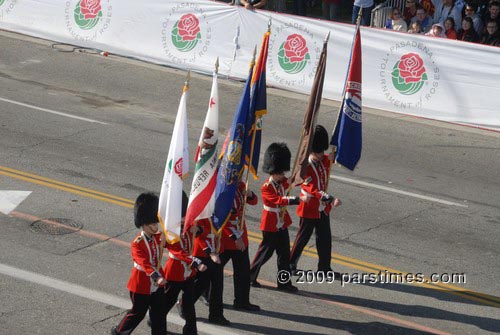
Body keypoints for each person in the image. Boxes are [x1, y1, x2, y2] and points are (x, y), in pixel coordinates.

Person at [111, 193, 167, 335]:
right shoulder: (137, 243)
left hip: (156, 283)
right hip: (141, 283)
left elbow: (173, 241)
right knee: (138, 313)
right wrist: (156, 276)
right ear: (144, 223)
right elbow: (144, 262)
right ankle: (119, 332)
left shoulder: (158, 237)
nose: (156, 226)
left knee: (159, 314)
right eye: (153, 224)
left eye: (156, 223)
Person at [290, 125, 342, 276]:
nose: (321, 155)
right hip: (309, 207)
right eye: (318, 152)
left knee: (325, 239)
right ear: (311, 150)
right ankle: (290, 264)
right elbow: (312, 188)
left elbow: (329, 159)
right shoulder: (305, 167)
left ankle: (324, 268)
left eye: (322, 152)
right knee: (302, 239)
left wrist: (335, 153)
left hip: (322, 208)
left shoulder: (323, 160)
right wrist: (330, 198)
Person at [249, 142, 300, 293]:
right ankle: (250, 276)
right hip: (271, 223)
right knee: (265, 253)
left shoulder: (281, 182)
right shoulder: (266, 187)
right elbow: (278, 200)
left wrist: (298, 175)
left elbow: (291, 181)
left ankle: (284, 283)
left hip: (281, 222)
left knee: (284, 255)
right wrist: (296, 200)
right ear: (273, 171)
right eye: (280, 172)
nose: (283, 175)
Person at [163, 192, 207, 335]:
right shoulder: (170, 232)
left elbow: (201, 231)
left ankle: (190, 332)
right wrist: (195, 263)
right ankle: (156, 320)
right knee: (168, 302)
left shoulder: (187, 226)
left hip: (188, 273)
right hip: (175, 271)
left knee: (189, 304)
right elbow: (178, 252)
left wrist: (198, 229)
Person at [220, 181, 261, 311]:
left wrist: (250, 194)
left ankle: (242, 301)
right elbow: (221, 219)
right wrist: (235, 238)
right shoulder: (223, 189)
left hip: (241, 234)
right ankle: (203, 295)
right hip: (226, 239)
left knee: (243, 272)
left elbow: (254, 201)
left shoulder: (241, 185)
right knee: (211, 273)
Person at [187, 216, 230, 325]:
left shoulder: (217, 210)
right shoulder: (202, 212)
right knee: (200, 285)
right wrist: (211, 253)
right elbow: (200, 235)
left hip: (216, 251)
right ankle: (184, 304)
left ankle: (216, 315)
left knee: (217, 285)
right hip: (202, 253)